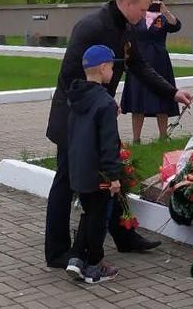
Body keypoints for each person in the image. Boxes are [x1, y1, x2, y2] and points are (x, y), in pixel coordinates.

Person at [44, 0, 193, 269]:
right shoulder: (91, 27)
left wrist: (173, 92)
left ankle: (124, 236)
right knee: (65, 182)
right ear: (127, 3)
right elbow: (69, 77)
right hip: (74, 119)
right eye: (142, 9)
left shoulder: (126, 28)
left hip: (98, 114)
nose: (145, 16)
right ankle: (57, 250)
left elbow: (139, 66)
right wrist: (99, 102)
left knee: (113, 171)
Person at [65, 45, 123, 284]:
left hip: (78, 167)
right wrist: (114, 175)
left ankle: (76, 258)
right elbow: (109, 143)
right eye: (111, 66)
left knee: (89, 213)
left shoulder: (77, 97)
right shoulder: (105, 102)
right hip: (98, 171)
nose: (113, 70)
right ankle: (95, 266)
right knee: (98, 217)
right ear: (102, 68)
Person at [120, 0, 182, 143]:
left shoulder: (162, 18)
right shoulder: (137, 17)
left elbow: (176, 26)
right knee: (137, 101)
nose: (152, 3)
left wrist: (165, 11)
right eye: (150, 0)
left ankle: (163, 137)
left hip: (160, 62)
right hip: (138, 62)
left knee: (162, 98)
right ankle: (136, 139)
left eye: (156, 0)